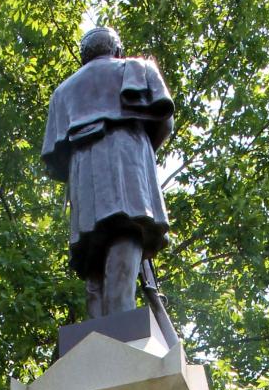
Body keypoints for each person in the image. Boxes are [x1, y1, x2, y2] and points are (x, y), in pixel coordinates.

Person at [42, 26, 174, 318]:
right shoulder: (138, 67)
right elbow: (165, 124)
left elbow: (54, 159)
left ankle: (99, 326)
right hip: (128, 160)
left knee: (93, 247)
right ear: (116, 51)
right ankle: (120, 319)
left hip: (83, 172)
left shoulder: (62, 93)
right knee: (127, 226)